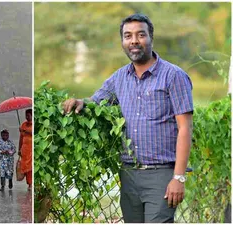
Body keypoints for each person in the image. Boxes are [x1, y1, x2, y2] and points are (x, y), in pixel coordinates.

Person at [62, 14, 193, 223]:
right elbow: (96, 101)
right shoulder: (119, 77)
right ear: (122, 42)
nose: (134, 41)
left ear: (151, 38)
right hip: (129, 174)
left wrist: (178, 177)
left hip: (161, 175)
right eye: (127, 36)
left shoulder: (173, 76)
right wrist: (80, 102)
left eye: (141, 35)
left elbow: (185, 128)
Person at [18, 109, 33, 190]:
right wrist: (19, 149)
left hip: (31, 150)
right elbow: (21, 138)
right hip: (25, 150)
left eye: (28, 115)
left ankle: (30, 184)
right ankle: (29, 183)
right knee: (26, 168)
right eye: (26, 115)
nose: (27, 117)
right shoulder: (23, 125)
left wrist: (24, 130)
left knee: (30, 167)